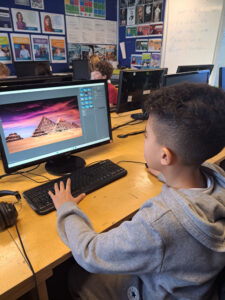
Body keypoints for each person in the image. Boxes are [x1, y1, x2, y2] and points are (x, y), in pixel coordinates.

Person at [49, 82, 225, 300]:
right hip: (193, 286)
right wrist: (166, 172)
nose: (145, 139)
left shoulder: (158, 223)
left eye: (146, 135)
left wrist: (66, 208)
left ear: (165, 156)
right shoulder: (217, 178)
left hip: (153, 291)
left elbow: (90, 252)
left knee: (76, 276)